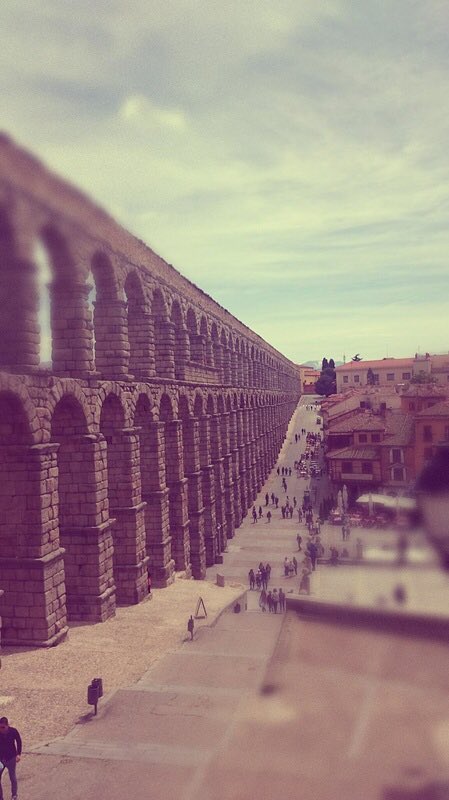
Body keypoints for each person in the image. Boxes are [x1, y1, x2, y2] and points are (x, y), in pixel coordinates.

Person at [0, 717, 21, 800]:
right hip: (1, 759)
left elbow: (19, 741)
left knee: (12, 777)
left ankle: (14, 795)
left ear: (7, 725)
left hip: (11, 758)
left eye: (3, 727)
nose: (1, 729)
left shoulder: (13, 731)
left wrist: (18, 754)